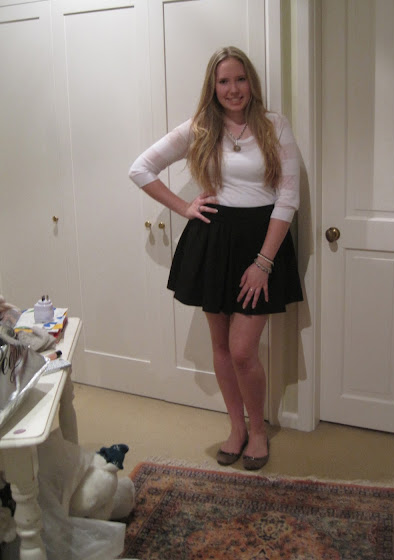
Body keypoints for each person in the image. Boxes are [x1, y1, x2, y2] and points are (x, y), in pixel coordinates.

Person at [129, 46, 302, 470]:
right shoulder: (200, 128)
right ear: (213, 86)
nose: (233, 89)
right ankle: (236, 428)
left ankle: (258, 431)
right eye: (224, 81)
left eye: (240, 79)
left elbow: (288, 197)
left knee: (243, 351)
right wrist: (184, 207)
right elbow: (141, 169)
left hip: (261, 242)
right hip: (214, 240)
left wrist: (263, 263)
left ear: (251, 82)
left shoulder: (274, 126)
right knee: (221, 347)